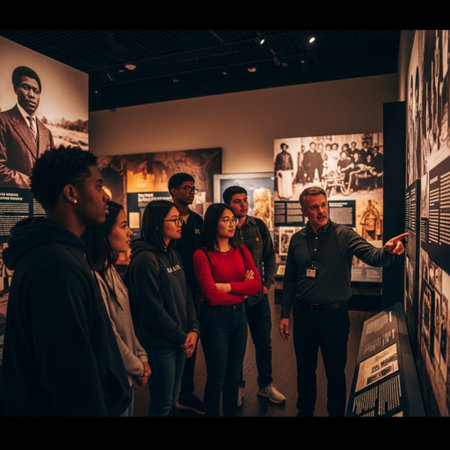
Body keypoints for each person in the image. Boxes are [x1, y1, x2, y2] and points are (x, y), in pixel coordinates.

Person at [0, 146, 131, 416]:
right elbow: (71, 377)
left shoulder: (62, 254)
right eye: (98, 186)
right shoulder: (57, 266)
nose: (105, 197)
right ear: (71, 193)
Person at [279, 186, 408, 417]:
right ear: (304, 211)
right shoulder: (297, 240)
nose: (321, 211)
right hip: (304, 316)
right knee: (304, 373)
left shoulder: (344, 234)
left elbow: (372, 255)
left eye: (323, 204)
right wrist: (284, 315)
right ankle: (304, 412)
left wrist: (387, 251)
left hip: (334, 318)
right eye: (314, 207)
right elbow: (290, 279)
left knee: (336, 374)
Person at [125, 200, 199, 416]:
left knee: (172, 399)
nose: (180, 224)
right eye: (174, 220)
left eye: (180, 219)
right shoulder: (145, 260)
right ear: (158, 224)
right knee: (161, 405)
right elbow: (152, 311)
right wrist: (182, 336)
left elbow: (186, 294)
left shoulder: (173, 254)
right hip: (160, 344)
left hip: (179, 340)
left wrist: (193, 329)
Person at [82, 200, 151, 416]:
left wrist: (141, 355)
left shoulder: (110, 269)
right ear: (104, 233)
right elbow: (110, 336)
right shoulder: (94, 276)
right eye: (123, 226)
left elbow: (126, 324)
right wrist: (138, 367)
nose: (130, 232)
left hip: (127, 376)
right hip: (113, 381)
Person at [193, 203, 262, 416]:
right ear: (214, 223)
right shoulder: (202, 254)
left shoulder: (241, 250)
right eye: (226, 220)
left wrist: (229, 287)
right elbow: (212, 297)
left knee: (233, 377)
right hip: (215, 319)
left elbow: (257, 284)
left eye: (233, 220)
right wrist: (243, 290)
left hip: (238, 316)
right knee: (217, 378)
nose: (232, 224)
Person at [223, 186, 285, 406]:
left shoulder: (258, 225)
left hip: (258, 297)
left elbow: (270, 257)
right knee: (235, 347)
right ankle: (237, 387)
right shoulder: (223, 229)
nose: (243, 204)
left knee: (264, 343)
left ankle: (265, 385)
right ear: (227, 204)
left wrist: (267, 285)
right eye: (237, 201)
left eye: (245, 200)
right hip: (234, 300)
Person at [168, 172, 205, 415]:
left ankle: (186, 393)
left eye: (193, 188)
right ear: (173, 190)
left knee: (192, 342)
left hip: (194, 292)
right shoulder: (167, 219)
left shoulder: (198, 221)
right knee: (173, 343)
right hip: (172, 289)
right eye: (186, 188)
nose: (191, 192)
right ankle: (169, 396)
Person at [0, 66, 54, 189]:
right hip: (14, 198)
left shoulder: (47, 132)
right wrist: (35, 184)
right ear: (15, 89)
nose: (31, 95)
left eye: (36, 91)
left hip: (42, 200)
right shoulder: (3, 121)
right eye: (26, 87)